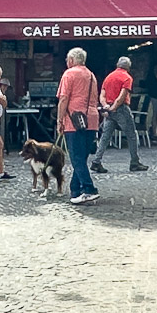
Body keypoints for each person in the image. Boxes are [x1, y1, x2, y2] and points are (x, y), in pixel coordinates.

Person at [56, 49, 101, 204]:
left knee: (76, 157)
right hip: (92, 118)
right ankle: (76, 190)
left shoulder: (69, 74)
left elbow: (63, 99)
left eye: (67, 59)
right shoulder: (91, 75)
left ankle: (89, 189)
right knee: (82, 157)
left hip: (74, 119)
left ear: (72, 60)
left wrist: (59, 120)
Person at [92, 56, 150, 174]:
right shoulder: (127, 77)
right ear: (128, 66)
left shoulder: (109, 77)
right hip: (121, 109)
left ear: (117, 65)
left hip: (109, 108)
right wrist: (114, 107)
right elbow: (122, 96)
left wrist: (106, 106)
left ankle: (96, 161)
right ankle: (134, 161)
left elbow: (102, 94)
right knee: (131, 135)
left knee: (105, 136)